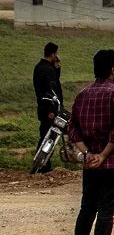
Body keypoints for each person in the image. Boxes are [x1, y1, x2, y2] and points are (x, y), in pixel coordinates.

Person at [67, 49, 114, 235]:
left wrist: (87, 154)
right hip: (113, 162)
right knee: (106, 210)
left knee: (87, 208)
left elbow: (72, 129)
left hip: (89, 163)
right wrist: (103, 155)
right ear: (113, 69)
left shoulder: (83, 94)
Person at [33, 42, 63, 173]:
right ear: (53, 54)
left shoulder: (39, 67)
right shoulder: (47, 70)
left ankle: (42, 163)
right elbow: (52, 90)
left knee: (45, 134)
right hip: (50, 108)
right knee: (49, 135)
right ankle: (43, 165)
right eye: (56, 54)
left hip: (42, 106)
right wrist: (51, 110)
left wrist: (56, 68)